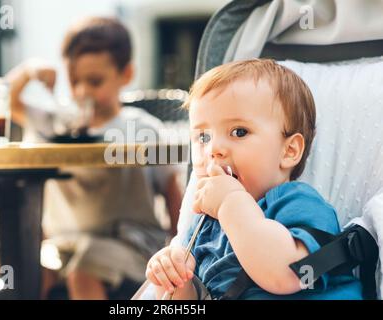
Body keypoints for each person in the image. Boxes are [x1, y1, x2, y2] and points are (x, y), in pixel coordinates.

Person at [145, 59, 363, 300]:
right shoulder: (202, 227)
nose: (214, 149)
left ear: (289, 151)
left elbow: (291, 275)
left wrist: (231, 202)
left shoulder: (298, 203)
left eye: (239, 132)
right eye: (203, 137)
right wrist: (172, 278)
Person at [6, 17, 183, 300]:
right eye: (74, 81)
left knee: (85, 268)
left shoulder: (143, 128)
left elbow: (173, 191)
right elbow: (6, 100)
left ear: (125, 74)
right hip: (63, 244)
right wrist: (29, 72)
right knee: (29, 269)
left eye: (95, 81)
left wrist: (179, 247)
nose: (82, 92)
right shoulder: (55, 123)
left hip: (131, 244)